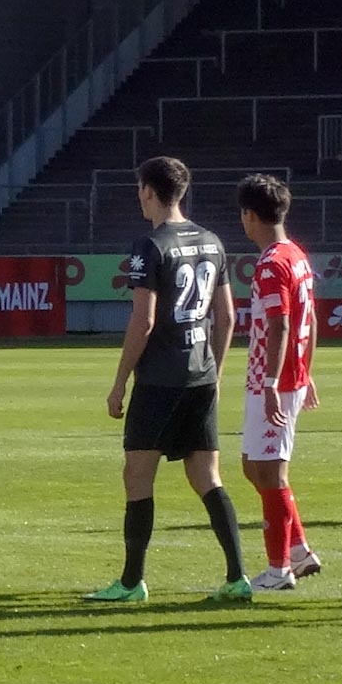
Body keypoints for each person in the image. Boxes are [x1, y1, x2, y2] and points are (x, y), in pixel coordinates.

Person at [87, 156, 251, 603]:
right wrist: (215, 371)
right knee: (207, 476)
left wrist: (120, 382)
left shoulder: (150, 245)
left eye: (140, 189)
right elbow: (227, 317)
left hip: (159, 379)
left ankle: (131, 582)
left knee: (138, 476)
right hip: (201, 377)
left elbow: (143, 321)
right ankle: (238, 577)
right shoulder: (212, 240)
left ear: (148, 190)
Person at [235, 174, 322, 592]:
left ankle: (278, 570)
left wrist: (272, 381)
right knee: (253, 466)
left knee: (270, 472)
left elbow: (280, 323)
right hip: (281, 377)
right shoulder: (296, 255)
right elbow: (312, 318)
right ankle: (299, 550)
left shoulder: (272, 263)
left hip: (275, 380)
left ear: (250, 216)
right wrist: (307, 371)